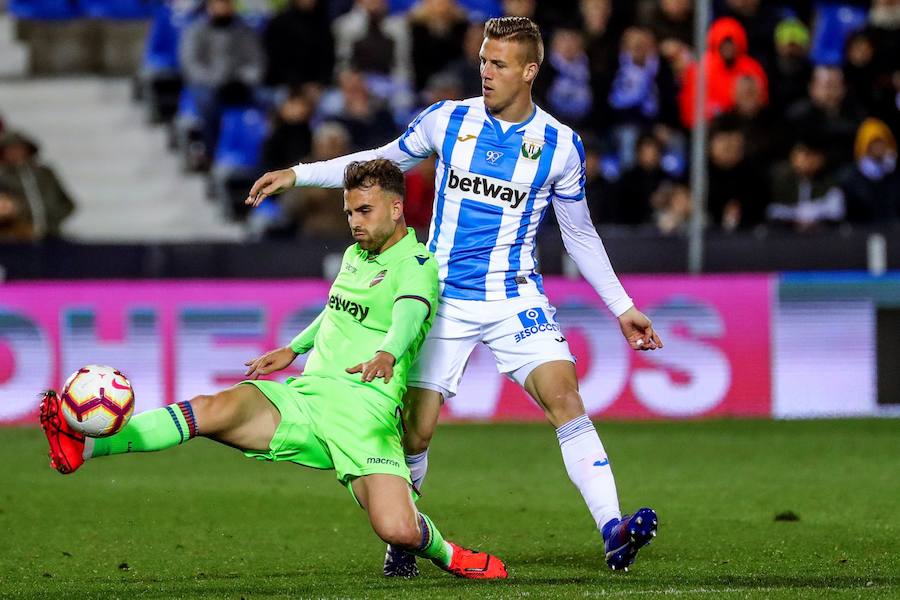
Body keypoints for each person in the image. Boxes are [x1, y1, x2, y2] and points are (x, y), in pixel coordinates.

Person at [246, 16, 662, 577]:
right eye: (483, 62)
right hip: (438, 299)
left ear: (530, 70)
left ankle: (613, 530)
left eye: (498, 64)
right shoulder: (448, 120)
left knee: (564, 395)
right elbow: (383, 160)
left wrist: (622, 306)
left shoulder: (561, 146)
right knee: (415, 431)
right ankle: (403, 535)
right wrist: (298, 174)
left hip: (514, 296)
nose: (485, 73)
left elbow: (580, 233)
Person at [40, 159, 507, 581]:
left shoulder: (417, 265)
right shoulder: (354, 257)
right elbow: (338, 310)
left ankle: (449, 554)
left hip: (365, 415)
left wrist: (388, 353)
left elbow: (409, 312)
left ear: (397, 208)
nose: (354, 223)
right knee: (213, 407)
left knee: (399, 528)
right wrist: (293, 347)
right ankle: (86, 445)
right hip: (307, 397)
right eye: (348, 213)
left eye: (364, 211)